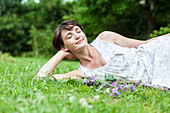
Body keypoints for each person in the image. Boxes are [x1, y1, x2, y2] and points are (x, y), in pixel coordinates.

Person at [37, 20, 170, 88]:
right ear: (64, 46)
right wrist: (61, 54)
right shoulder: (81, 74)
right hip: (159, 76)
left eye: (78, 31)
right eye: (69, 36)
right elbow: (41, 78)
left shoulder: (105, 38)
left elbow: (144, 44)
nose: (77, 36)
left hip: (158, 53)